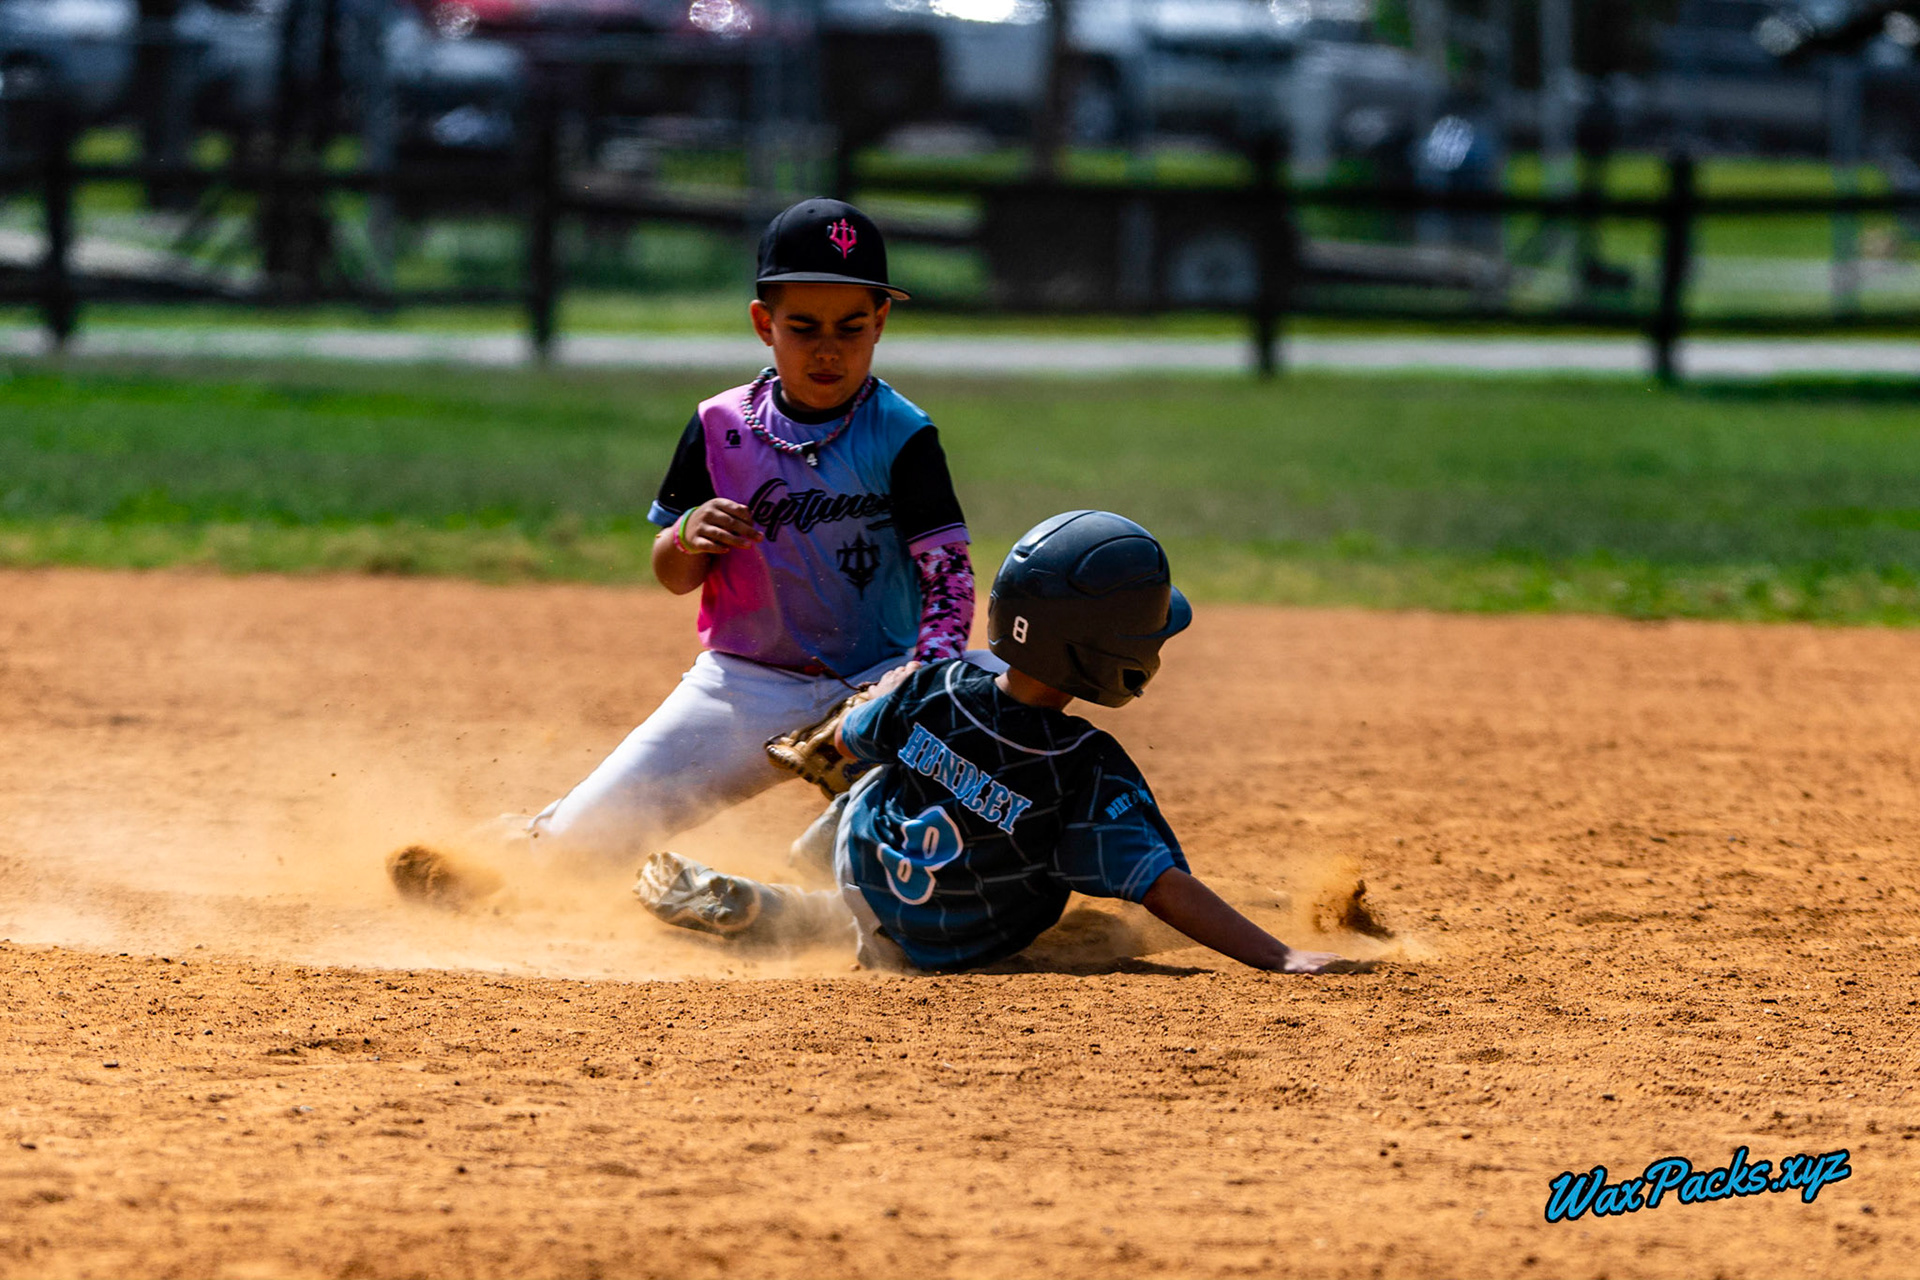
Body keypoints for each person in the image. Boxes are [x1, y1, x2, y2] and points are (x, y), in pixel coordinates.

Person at [397, 198, 974, 892]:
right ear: (765, 324)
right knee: (578, 853)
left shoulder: (903, 434)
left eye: (852, 328)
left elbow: (949, 579)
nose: (829, 348)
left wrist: (920, 681)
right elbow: (672, 575)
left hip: (884, 676)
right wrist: (686, 534)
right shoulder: (719, 426)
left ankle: (981, 887)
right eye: (804, 327)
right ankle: (510, 854)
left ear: (880, 323)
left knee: (999, 713)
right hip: (749, 684)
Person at [633, 511, 1374, 976]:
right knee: (1085, 895)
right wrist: (1278, 954)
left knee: (877, 765)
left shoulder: (936, 684)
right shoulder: (1083, 766)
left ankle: (803, 887)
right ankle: (791, 911)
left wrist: (841, 745)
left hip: (869, 849)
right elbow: (1162, 886)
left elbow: (841, 745)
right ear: (1109, 656)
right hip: (947, 942)